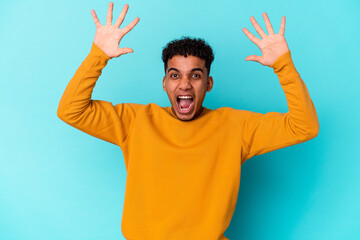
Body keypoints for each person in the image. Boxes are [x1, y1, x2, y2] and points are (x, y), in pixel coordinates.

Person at [57, 2, 319, 240]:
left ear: (208, 83)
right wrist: (98, 55)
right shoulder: (136, 121)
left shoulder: (236, 126)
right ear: (164, 83)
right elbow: (71, 110)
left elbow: (304, 126)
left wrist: (283, 65)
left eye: (195, 75)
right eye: (174, 75)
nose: (184, 84)